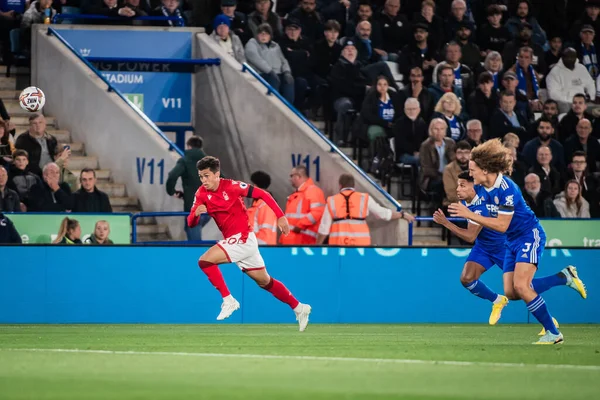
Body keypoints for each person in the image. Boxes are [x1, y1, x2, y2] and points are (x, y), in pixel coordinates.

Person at [448, 139, 587, 344]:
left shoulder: (506, 189)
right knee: (512, 292)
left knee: (522, 286)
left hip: (529, 235)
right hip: (511, 241)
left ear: (485, 170)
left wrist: (470, 214)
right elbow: (480, 211)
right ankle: (563, 277)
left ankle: (553, 333)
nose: (470, 174)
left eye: (473, 170)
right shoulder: (483, 188)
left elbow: (501, 225)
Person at [436, 171, 582, 327]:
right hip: (483, 246)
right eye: (458, 185)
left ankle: (560, 282)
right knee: (467, 278)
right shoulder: (467, 202)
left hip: (502, 247)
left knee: (520, 288)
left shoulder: (481, 205)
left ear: (474, 187)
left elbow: (470, 236)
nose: (458, 189)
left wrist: (446, 223)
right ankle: (498, 300)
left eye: (462, 185)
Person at [187, 156, 312, 331]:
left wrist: (281, 216)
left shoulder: (231, 186)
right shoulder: (200, 193)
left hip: (243, 237)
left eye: (207, 176)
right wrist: (195, 215)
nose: (204, 180)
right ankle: (299, 308)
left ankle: (228, 300)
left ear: (216, 174)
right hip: (238, 241)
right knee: (265, 282)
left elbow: (263, 194)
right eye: (201, 176)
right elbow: (190, 223)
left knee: (204, 261)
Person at [316, 173, 414, 246]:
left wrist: (317, 246)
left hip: (338, 245)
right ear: (353, 185)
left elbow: (324, 229)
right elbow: (383, 214)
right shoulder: (364, 198)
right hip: (361, 245)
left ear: (340, 185)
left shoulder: (331, 200)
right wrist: (402, 214)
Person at [166, 136, 207, 241]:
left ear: (188, 146)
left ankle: (199, 257)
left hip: (194, 208)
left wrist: (171, 191)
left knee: (195, 243)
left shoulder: (185, 161)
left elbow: (172, 176)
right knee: (190, 230)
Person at [280, 165, 325, 245]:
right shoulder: (299, 194)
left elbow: (317, 212)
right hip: (292, 241)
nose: (290, 179)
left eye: (291, 176)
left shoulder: (313, 191)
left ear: (298, 176)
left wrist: (300, 225)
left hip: (302, 241)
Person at [247, 170, 278, 245]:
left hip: (262, 250)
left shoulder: (266, 205)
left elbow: (266, 233)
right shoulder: (258, 204)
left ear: (255, 185)